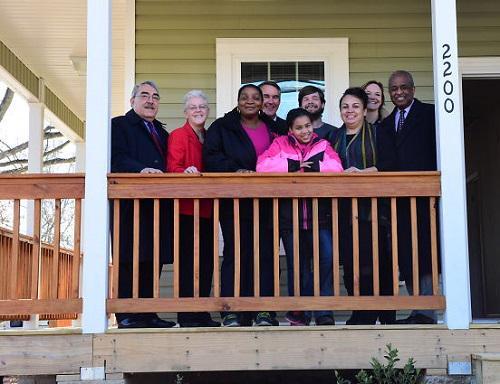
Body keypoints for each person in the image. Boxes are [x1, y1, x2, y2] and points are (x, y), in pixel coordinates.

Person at [203, 84, 283, 327]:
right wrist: (235, 170)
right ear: (237, 101)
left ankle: (264, 310)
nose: (250, 101)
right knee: (237, 253)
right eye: (245, 97)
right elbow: (211, 156)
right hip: (234, 202)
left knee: (267, 255)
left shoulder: (274, 127)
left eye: (255, 98)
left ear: (261, 103)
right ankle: (232, 310)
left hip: (268, 202)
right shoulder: (223, 127)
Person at [257, 108, 343, 326]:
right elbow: (262, 166)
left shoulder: (322, 145)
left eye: (307, 126)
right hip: (290, 217)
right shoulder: (280, 145)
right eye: (299, 127)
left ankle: (323, 311)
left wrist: (315, 167)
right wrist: (292, 166)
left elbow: (337, 167)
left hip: (319, 216)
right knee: (298, 265)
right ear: (290, 130)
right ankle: (300, 312)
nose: (305, 131)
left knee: (327, 257)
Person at [111, 80, 175, 329]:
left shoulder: (161, 131)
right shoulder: (119, 125)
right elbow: (116, 156)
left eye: (155, 97)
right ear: (132, 101)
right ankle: (127, 314)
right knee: (129, 257)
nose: (151, 100)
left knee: (153, 257)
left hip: (156, 205)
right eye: (145, 95)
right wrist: (140, 169)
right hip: (129, 203)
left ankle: (148, 313)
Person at [377, 70, 438, 324]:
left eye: (404, 87)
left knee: (426, 252)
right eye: (394, 89)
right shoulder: (387, 124)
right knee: (408, 253)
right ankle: (416, 308)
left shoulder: (430, 115)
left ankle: (427, 310)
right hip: (399, 202)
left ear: (413, 89)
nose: (399, 92)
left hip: (425, 198)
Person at [331, 87, 395, 325]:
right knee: (351, 263)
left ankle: (385, 314)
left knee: (379, 262)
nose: (350, 111)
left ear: (365, 109)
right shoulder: (333, 138)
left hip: (374, 211)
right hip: (344, 212)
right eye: (345, 106)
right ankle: (361, 312)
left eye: (355, 106)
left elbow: (389, 165)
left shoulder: (378, 134)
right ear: (339, 111)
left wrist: (361, 174)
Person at [167, 90, 219, 328]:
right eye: (193, 107)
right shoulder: (179, 135)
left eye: (202, 107)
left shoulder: (209, 137)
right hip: (186, 209)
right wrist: (184, 172)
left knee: (206, 261)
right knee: (188, 262)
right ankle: (187, 314)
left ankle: (202, 312)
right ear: (185, 112)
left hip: (208, 208)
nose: (198, 111)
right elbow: (172, 168)